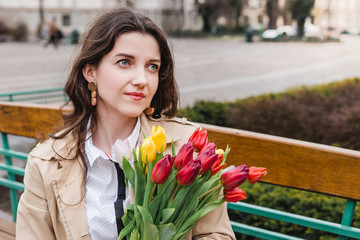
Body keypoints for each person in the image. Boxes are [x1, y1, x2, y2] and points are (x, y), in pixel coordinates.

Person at [16, 8, 236, 240]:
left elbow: (216, 234)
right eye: (124, 62)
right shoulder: (45, 163)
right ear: (91, 72)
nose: (142, 80)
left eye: (152, 66)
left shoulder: (187, 147)